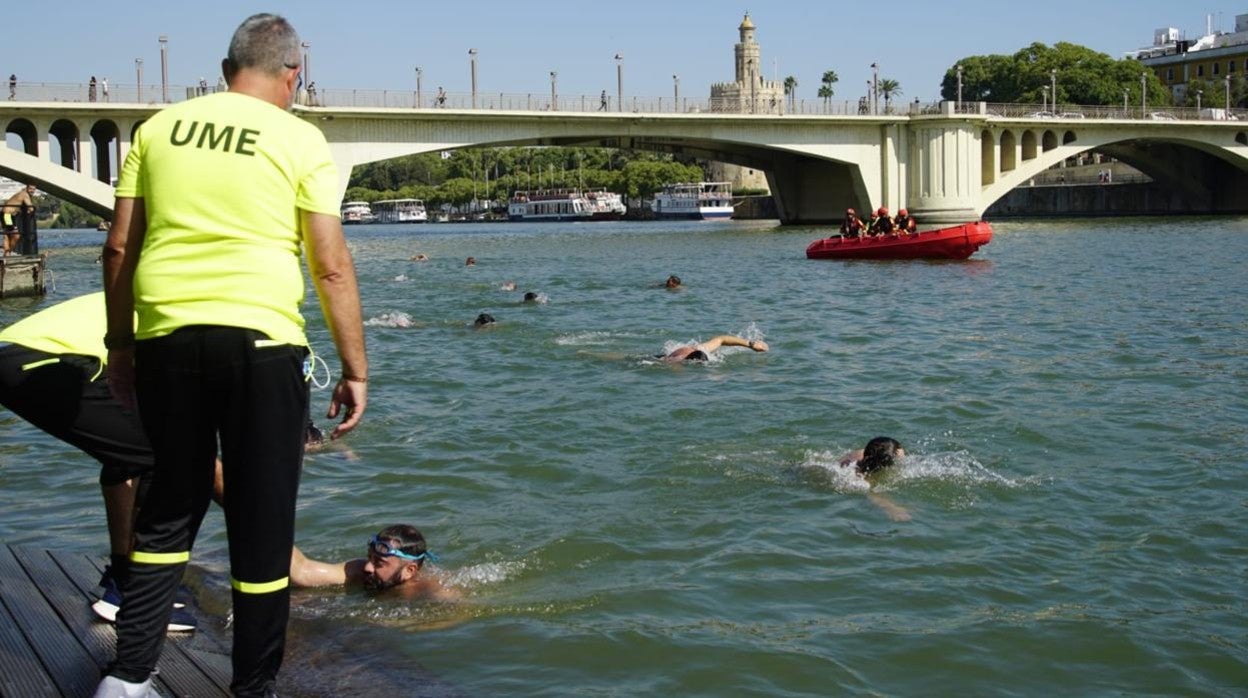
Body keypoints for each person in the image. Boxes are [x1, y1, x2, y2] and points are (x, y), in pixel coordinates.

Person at [98, 13, 368, 698]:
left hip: (165, 339)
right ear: (291, 75)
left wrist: (121, 347)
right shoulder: (301, 138)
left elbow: (119, 249)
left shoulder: (158, 130)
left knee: (168, 509)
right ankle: (252, 688)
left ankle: (127, 679)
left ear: (225, 71)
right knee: (261, 519)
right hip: (261, 343)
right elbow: (331, 265)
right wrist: (356, 369)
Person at [0, 293, 197, 633]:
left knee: (127, 451)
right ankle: (139, 596)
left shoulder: (164, 294)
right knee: (162, 458)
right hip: (43, 361)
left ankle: (123, 577)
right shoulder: (192, 319)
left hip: (21, 355)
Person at [289, 525, 459, 600]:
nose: (368, 567)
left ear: (409, 570)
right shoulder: (358, 570)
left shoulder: (427, 590)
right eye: (369, 557)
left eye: (379, 563)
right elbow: (303, 571)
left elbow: (459, 614)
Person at [838, 436, 910, 521]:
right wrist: (891, 508)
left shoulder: (863, 453)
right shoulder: (860, 474)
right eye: (898, 451)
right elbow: (870, 492)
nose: (902, 453)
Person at [662, 334, 768, 362]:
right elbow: (721, 339)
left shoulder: (696, 348)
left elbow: (721, 339)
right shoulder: (677, 362)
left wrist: (751, 344)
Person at [2, 183, 36, 256]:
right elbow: (31, 207)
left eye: (33, 189)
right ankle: (8, 252)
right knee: (16, 236)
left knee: (7, 235)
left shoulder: (21, 193)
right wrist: (30, 210)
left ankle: (7, 254)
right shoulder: (24, 194)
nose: (32, 191)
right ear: (27, 188)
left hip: (8, 214)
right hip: (7, 215)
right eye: (30, 189)